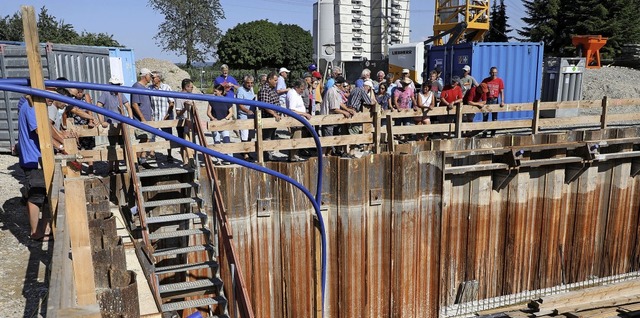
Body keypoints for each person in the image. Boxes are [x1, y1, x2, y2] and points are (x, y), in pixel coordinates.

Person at [18, 95, 60, 241]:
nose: (51, 99)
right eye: (48, 96)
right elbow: (39, 131)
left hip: (37, 158)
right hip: (33, 159)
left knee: (44, 194)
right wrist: (60, 146)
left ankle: (45, 228)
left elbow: (48, 128)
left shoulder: (34, 106)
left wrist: (61, 140)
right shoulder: (31, 106)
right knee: (36, 196)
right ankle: (36, 232)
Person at [97, 76, 131, 174]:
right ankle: (110, 168)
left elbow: (127, 106)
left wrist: (130, 118)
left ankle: (117, 167)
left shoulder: (120, 93)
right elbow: (99, 106)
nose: (116, 87)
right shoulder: (106, 93)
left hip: (120, 124)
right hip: (111, 124)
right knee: (112, 146)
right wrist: (102, 121)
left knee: (121, 145)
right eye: (115, 85)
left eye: (117, 85)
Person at [320, 76, 352, 156]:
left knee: (334, 138)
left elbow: (340, 103)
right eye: (343, 85)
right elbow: (333, 108)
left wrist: (348, 109)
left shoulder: (337, 91)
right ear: (340, 84)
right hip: (328, 119)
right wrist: (345, 113)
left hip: (334, 119)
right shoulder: (333, 91)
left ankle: (331, 154)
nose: (344, 87)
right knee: (328, 141)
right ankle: (325, 156)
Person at [149, 71, 176, 163]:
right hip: (154, 116)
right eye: (151, 77)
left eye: (154, 77)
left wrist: (168, 114)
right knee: (152, 136)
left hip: (165, 116)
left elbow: (171, 102)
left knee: (168, 136)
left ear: (159, 78)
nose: (152, 79)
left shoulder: (166, 88)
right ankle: (152, 153)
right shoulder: (149, 89)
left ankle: (169, 154)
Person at [131, 68, 154, 168]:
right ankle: (136, 161)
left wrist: (150, 116)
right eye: (150, 75)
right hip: (142, 119)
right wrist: (142, 117)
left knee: (146, 139)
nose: (151, 77)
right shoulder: (136, 87)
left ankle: (142, 159)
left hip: (147, 117)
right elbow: (135, 104)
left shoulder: (144, 88)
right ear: (145, 76)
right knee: (143, 138)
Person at [257, 72, 283, 160]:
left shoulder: (272, 89)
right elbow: (265, 105)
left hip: (273, 119)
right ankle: (265, 158)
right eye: (275, 80)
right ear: (269, 80)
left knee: (271, 137)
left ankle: (268, 156)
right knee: (266, 138)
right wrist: (274, 114)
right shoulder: (265, 90)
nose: (276, 82)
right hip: (268, 118)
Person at [286, 79, 312, 162]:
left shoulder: (296, 94)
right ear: (296, 87)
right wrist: (304, 114)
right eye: (301, 89)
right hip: (295, 120)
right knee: (295, 138)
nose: (302, 91)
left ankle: (295, 154)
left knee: (298, 138)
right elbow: (292, 110)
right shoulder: (292, 94)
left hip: (299, 120)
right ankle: (292, 156)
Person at [174, 78, 195, 164]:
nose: (192, 89)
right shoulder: (179, 97)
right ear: (186, 87)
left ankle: (191, 160)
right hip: (182, 122)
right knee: (183, 143)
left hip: (190, 121)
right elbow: (178, 113)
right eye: (191, 87)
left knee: (191, 142)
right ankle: (185, 161)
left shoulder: (190, 96)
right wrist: (185, 108)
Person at [236, 75, 256, 160]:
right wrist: (247, 111)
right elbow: (239, 104)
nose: (250, 85)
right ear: (244, 82)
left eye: (251, 83)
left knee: (250, 135)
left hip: (251, 115)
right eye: (248, 83)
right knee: (244, 134)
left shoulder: (251, 90)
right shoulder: (240, 90)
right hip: (244, 115)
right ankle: (245, 153)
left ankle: (247, 150)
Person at [481, 66, 506, 137]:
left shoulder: (499, 81)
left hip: (495, 100)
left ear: (497, 73)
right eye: (492, 72)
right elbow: (482, 90)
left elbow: (501, 91)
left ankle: (493, 133)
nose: (493, 74)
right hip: (487, 100)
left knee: (494, 118)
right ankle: (484, 133)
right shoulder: (485, 80)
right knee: (485, 117)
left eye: (495, 72)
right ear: (490, 73)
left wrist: (502, 101)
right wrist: (483, 101)